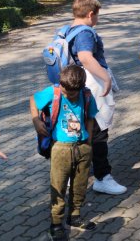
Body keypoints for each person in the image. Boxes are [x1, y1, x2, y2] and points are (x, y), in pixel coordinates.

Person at [68, 0, 126, 195]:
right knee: (99, 131)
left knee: (79, 131)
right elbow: (85, 57)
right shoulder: (85, 32)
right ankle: (102, 177)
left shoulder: (69, 31)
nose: (97, 20)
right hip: (93, 85)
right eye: (98, 15)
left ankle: (73, 174)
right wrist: (106, 77)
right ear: (91, 14)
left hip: (78, 85)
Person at [30, 65, 97, 241]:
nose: (69, 94)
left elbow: (90, 117)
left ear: (81, 87)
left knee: (80, 185)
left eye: (73, 92)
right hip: (60, 148)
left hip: (82, 147)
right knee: (58, 186)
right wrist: (36, 120)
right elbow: (33, 100)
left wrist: (88, 142)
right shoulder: (55, 92)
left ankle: (74, 216)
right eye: (66, 90)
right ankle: (56, 223)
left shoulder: (87, 95)